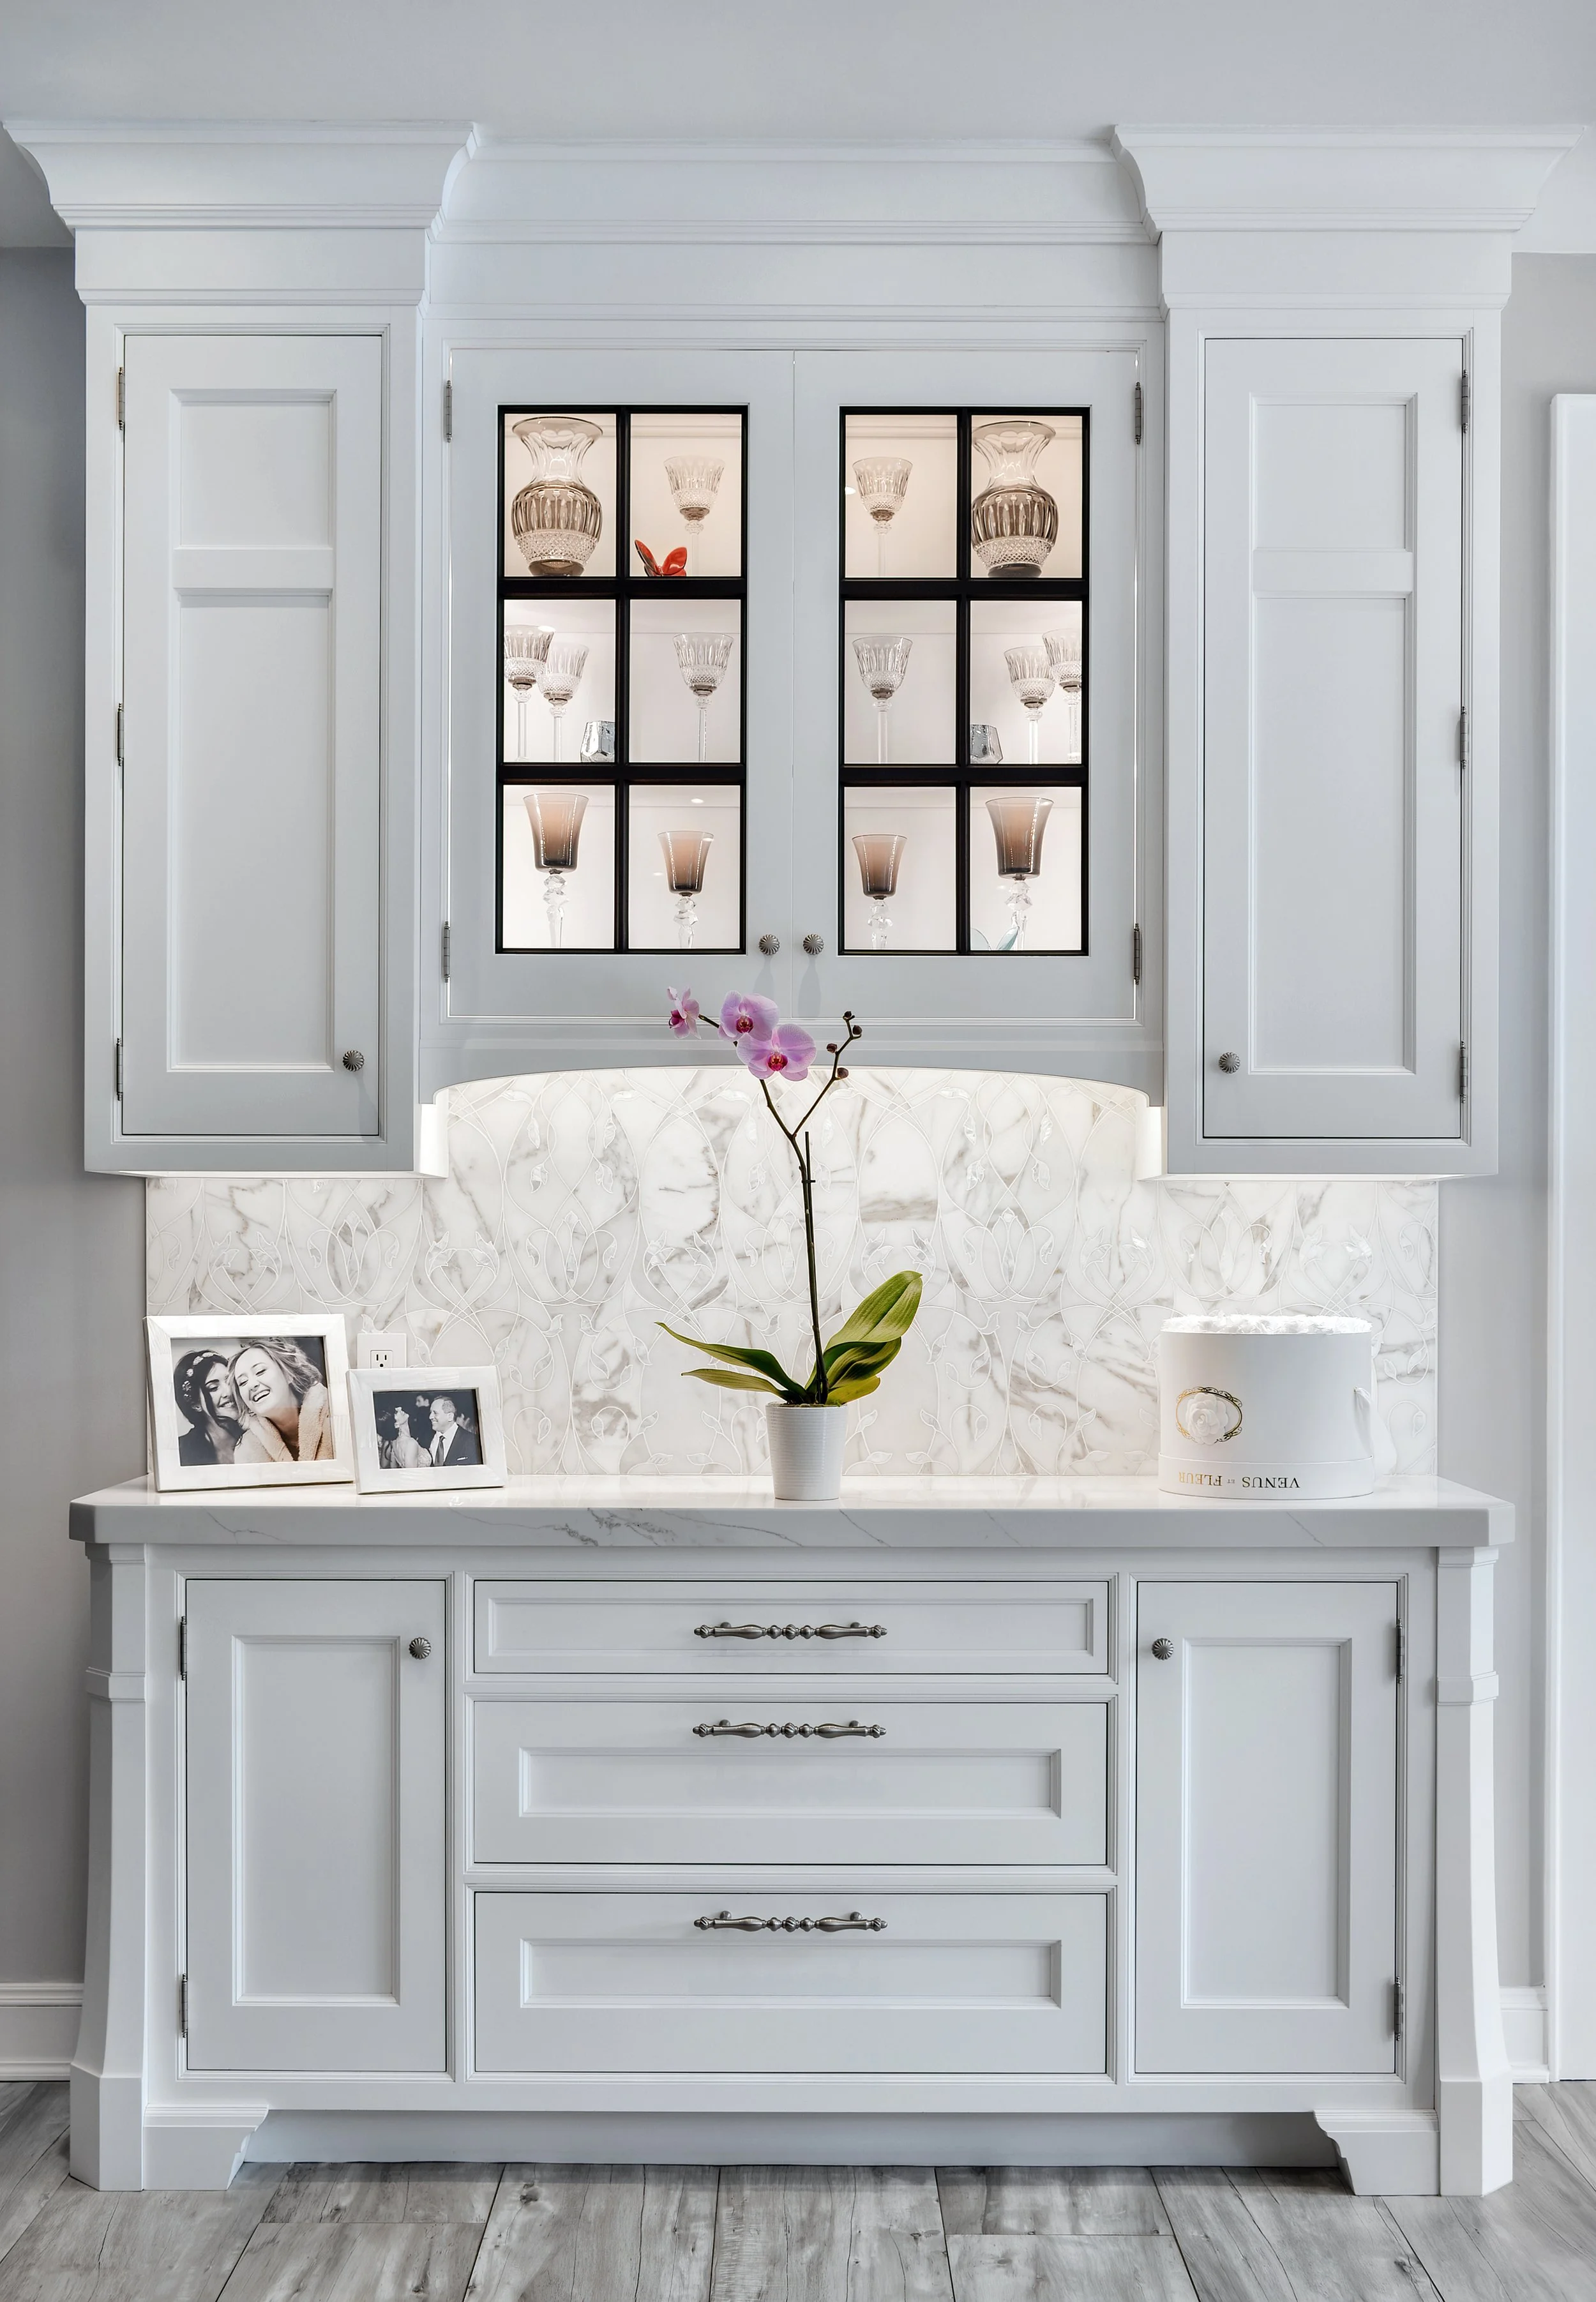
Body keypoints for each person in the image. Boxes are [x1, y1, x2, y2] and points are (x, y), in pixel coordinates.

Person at [230, 1338, 334, 1464]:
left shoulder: (337, 1419)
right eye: (243, 1382)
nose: (252, 1385)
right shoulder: (246, 1450)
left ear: (288, 1374)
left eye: (260, 1371)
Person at [173, 1349, 245, 1466]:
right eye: (213, 1388)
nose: (229, 1391)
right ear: (195, 1404)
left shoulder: (262, 1432)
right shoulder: (181, 1452)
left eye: (230, 1381)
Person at [426, 1392, 482, 1468]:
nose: (430, 1417)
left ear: (450, 1417)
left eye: (435, 1413)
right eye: (430, 1413)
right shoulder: (425, 1439)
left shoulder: (472, 1441)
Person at [384, 1403, 430, 1470]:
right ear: (396, 1424)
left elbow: (394, 1469)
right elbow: (412, 1476)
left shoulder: (395, 1442)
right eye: (396, 1412)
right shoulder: (411, 1443)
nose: (400, 1408)